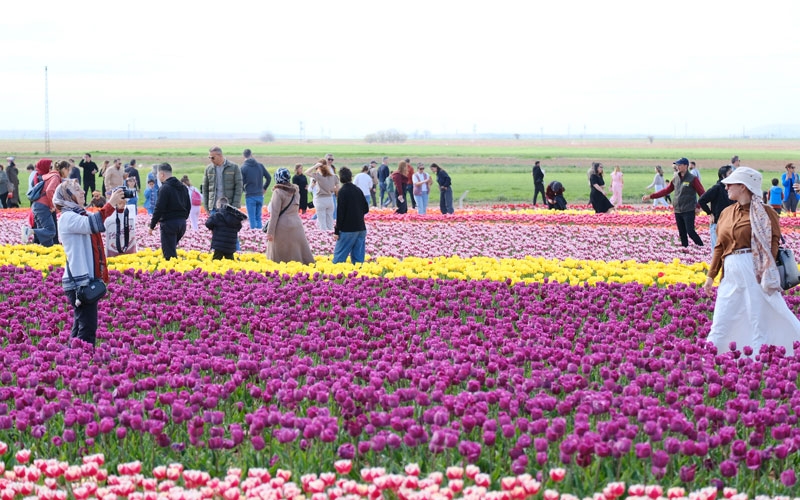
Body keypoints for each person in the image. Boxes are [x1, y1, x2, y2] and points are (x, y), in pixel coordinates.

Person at [703, 167, 800, 357]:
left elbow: (773, 241)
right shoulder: (726, 213)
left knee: (758, 315)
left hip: (754, 268)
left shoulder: (765, 212)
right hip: (730, 270)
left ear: (744, 186)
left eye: (731, 183)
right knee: (722, 314)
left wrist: (766, 269)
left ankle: (759, 359)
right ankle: (712, 356)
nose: (726, 187)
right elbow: (719, 247)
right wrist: (710, 276)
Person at [56, 180, 125, 347]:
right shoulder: (67, 218)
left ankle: (72, 360)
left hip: (84, 280)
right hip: (79, 282)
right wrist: (110, 204)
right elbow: (92, 224)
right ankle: (82, 361)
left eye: (81, 188)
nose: (82, 192)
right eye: (77, 190)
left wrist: (118, 206)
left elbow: (99, 222)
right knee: (87, 327)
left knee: (80, 325)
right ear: (67, 197)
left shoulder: (79, 214)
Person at [643, 157, 705, 249]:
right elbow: (666, 190)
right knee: (682, 233)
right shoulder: (675, 178)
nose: (678, 167)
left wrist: (698, 206)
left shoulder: (693, 179)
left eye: (680, 165)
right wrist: (650, 196)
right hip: (678, 210)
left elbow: (702, 193)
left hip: (689, 209)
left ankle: (702, 247)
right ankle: (685, 250)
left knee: (690, 231)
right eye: (677, 165)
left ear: (686, 166)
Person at [263, 168, 314, 264]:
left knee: (280, 254)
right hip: (296, 224)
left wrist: (270, 232)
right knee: (296, 252)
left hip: (282, 225)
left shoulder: (278, 192)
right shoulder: (296, 190)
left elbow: (274, 214)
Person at [148, 163, 190, 260]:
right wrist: (182, 218)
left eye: (158, 174)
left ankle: (173, 274)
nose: (157, 177)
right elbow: (188, 206)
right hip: (182, 224)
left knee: (169, 255)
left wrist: (152, 225)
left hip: (169, 224)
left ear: (162, 174)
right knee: (171, 250)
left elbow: (159, 208)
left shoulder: (165, 188)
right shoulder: (183, 187)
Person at [27, 159, 70, 247]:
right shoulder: (56, 177)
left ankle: (46, 252)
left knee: (45, 236)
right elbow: (49, 190)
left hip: (37, 205)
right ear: (64, 169)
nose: (69, 172)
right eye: (68, 170)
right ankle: (29, 231)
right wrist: (52, 206)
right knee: (51, 230)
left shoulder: (50, 175)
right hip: (43, 206)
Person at [333, 167, 369, 264]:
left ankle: (336, 278)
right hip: (361, 228)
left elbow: (340, 213)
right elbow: (366, 209)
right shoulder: (358, 190)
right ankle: (359, 278)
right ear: (351, 177)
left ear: (340, 178)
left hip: (347, 229)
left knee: (339, 258)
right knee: (358, 261)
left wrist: (337, 231)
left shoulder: (342, 192)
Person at [699, 166, 735, 251]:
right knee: (717, 250)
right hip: (717, 223)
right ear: (723, 176)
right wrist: (710, 213)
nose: (732, 175)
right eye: (730, 173)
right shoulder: (717, 188)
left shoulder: (732, 188)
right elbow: (702, 200)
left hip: (730, 223)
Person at [203, 146, 243, 214]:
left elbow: (239, 187)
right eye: (209, 157)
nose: (211, 159)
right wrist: (207, 207)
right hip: (213, 208)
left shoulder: (234, 167)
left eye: (213, 157)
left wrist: (234, 206)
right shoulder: (208, 169)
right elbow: (205, 188)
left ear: (220, 155)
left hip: (229, 207)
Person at [240, 148, 271, 229]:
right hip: (260, 195)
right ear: (251, 154)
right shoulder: (260, 165)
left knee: (252, 218)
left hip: (250, 195)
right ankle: (260, 235)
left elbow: (240, 183)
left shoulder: (243, 168)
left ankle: (254, 234)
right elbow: (269, 177)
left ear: (244, 156)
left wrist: (244, 190)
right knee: (258, 217)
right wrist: (264, 188)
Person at [305, 159, 339, 231]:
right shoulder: (334, 176)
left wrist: (315, 166)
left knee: (322, 223)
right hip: (330, 199)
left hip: (320, 199)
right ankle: (330, 237)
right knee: (330, 221)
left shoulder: (318, 176)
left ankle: (324, 239)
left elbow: (307, 172)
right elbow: (337, 189)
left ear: (319, 167)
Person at [105, 191, 138, 257]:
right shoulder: (109, 214)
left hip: (129, 250)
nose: (121, 200)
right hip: (113, 251)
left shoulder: (129, 211)